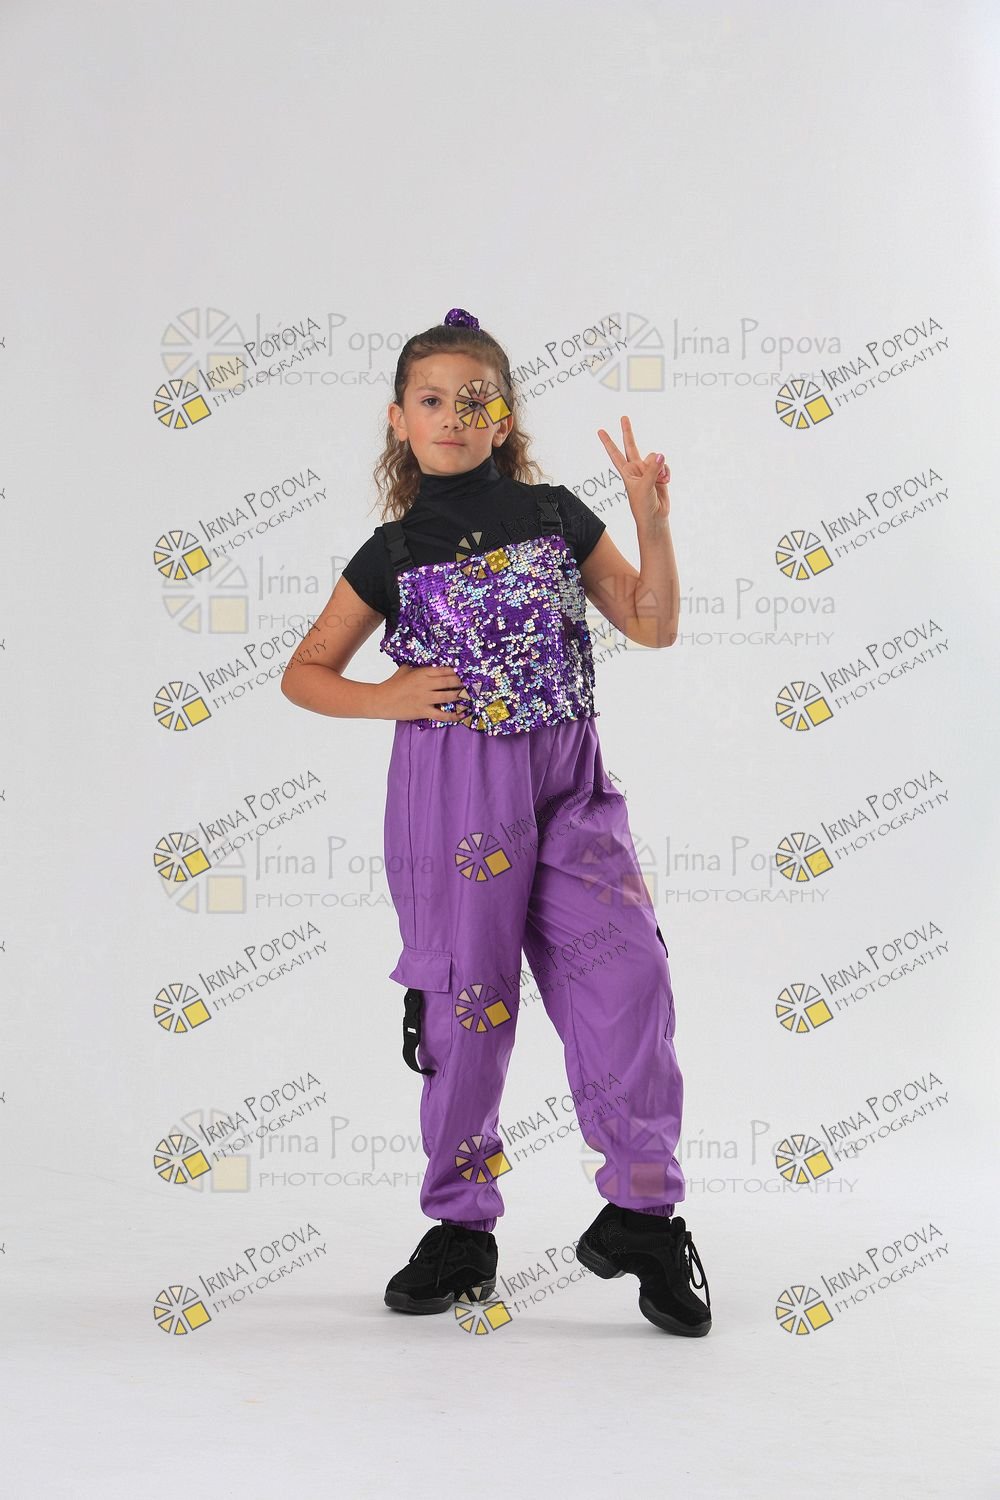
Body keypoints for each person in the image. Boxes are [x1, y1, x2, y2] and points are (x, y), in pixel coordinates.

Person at [280, 308, 711, 1337]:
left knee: (630, 980)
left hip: (570, 780)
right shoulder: (393, 551)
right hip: (454, 787)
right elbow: (305, 673)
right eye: (430, 400)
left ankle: (642, 1216)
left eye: (474, 400)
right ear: (398, 419)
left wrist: (649, 520)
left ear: (503, 418)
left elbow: (651, 625)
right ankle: (460, 1226)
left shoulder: (555, 515)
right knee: (467, 1003)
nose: (452, 416)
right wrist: (388, 696)